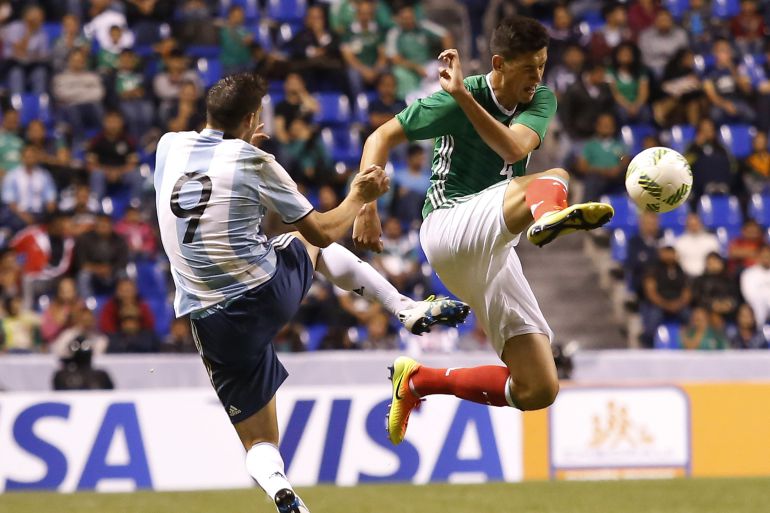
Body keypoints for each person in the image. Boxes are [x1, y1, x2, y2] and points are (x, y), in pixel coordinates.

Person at [153, 73, 467, 513]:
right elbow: (322, 228)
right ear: (251, 119)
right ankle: (406, 307)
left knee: (259, 441)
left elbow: (206, 180)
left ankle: (282, 491)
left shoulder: (168, 146)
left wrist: (241, 144)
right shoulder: (254, 162)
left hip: (212, 319)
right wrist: (359, 197)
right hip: (264, 293)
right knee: (311, 245)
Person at [352, 16, 614, 447]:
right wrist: (366, 206)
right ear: (500, 63)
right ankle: (545, 216)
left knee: (538, 388)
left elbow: (513, 147)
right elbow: (379, 137)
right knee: (555, 177)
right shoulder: (459, 98)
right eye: (529, 68)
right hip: (448, 225)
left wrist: (462, 97)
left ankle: (418, 380)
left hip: (493, 248)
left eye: (543, 66)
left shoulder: (538, 99)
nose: (538, 77)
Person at [674, 213, 721, 277]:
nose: (694, 227)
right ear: (687, 225)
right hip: (686, 277)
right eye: (691, 224)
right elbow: (677, 261)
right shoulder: (679, 242)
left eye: (696, 224)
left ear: (701, 224)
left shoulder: (711, 240)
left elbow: (716, 261)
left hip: (707, 277)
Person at [740, 244, 770, 326]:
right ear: (758, 256)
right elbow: (749, 296)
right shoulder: (748, 274)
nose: (766, 259)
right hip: (757, 310)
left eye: (768, 256)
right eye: (764, 256)